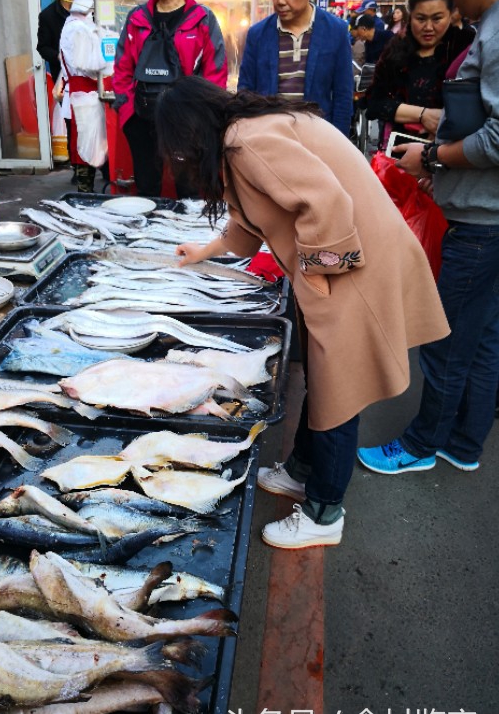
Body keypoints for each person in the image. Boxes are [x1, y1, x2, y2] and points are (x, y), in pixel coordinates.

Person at [154, 76, 449, 549]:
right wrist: (204, 250)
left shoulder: (246, 140)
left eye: (178, 147)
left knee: (341, 388)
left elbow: (327, 203)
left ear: (191, 131)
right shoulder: (240, 137)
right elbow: (249, 218)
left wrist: (315, 274)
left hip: (352, 263)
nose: (181, 159)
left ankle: (324, 512)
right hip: (344, 262)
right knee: (324, 375)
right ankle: (303, 470)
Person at [357, 0, 498, 475]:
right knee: (483, 337)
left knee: (442, 339)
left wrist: (432, 154)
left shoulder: (494, 35)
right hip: (485, 215)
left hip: (477, 220)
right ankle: (464, 445)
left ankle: (419, 446)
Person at [113, 0, 227, 198]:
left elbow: (215, 72)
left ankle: (188, 239)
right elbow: (121, 68)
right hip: (141, 118)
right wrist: (127, 112)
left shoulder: (202, 19)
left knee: (189, 189)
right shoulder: (136, 18)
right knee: (146, 188)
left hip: (185, 122)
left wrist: (200, 118)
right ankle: (147, 238)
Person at [238, 0, 353, 137]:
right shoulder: (258, 34)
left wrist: (338, 144)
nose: (281, 0)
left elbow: (343, 97)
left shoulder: (335, 31)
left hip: (318, 137)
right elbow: (245, 91)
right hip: (271, 137)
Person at [366, 0, 475, 144]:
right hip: (397, 155)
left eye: (437, 18)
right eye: (421, 19)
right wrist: (424, 115)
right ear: (410, 16)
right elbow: (374, 104)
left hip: (450, 156)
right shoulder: (396, 49)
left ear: (450, 15)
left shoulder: (465, 47)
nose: (428, 27)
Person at [58, 0, 107, 193]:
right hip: (84, 94)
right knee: (86, 146)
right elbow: (88, 64)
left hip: (86, 93)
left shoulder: (78, 25)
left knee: (90, 142)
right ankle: (85, 195)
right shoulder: (77, 29)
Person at [36, 0, 79, 81]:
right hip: (63, 78)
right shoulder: (48, 16)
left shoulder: (88, 11)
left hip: (88, 76)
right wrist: (59, 57)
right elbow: (43, 47)